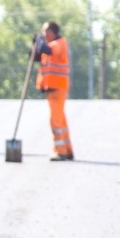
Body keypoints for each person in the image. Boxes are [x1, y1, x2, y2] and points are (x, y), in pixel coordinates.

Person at [34, 20, 74, 161]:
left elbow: (47, 49)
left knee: (55, 121)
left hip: (58, 86)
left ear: (52, 32)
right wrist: (35, 46)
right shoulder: (51, 44)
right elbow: (37, 56)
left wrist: (39, 43)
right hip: (52, 87)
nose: (44, 34)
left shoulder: (59, 43)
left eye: (45, 32)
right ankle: (68, 150)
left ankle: (60, 151)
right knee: (61, 121)